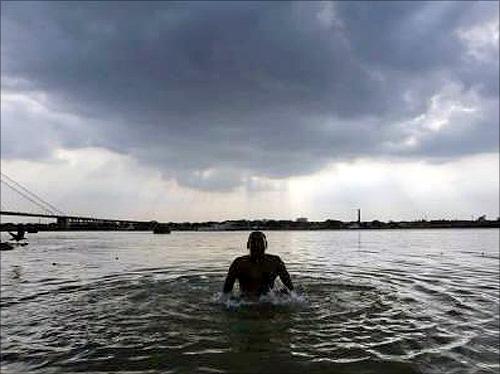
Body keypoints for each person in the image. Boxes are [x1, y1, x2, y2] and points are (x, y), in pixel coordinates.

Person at [223, 231, 294, 299]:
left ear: (266, 245)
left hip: (269, 300)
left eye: (260, 242)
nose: (257, 245)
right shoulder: (239, 263)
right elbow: (226, 291)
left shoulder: (275, 262)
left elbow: (290, 287)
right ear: (248, 245)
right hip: (245, 301)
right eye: (253, 242)